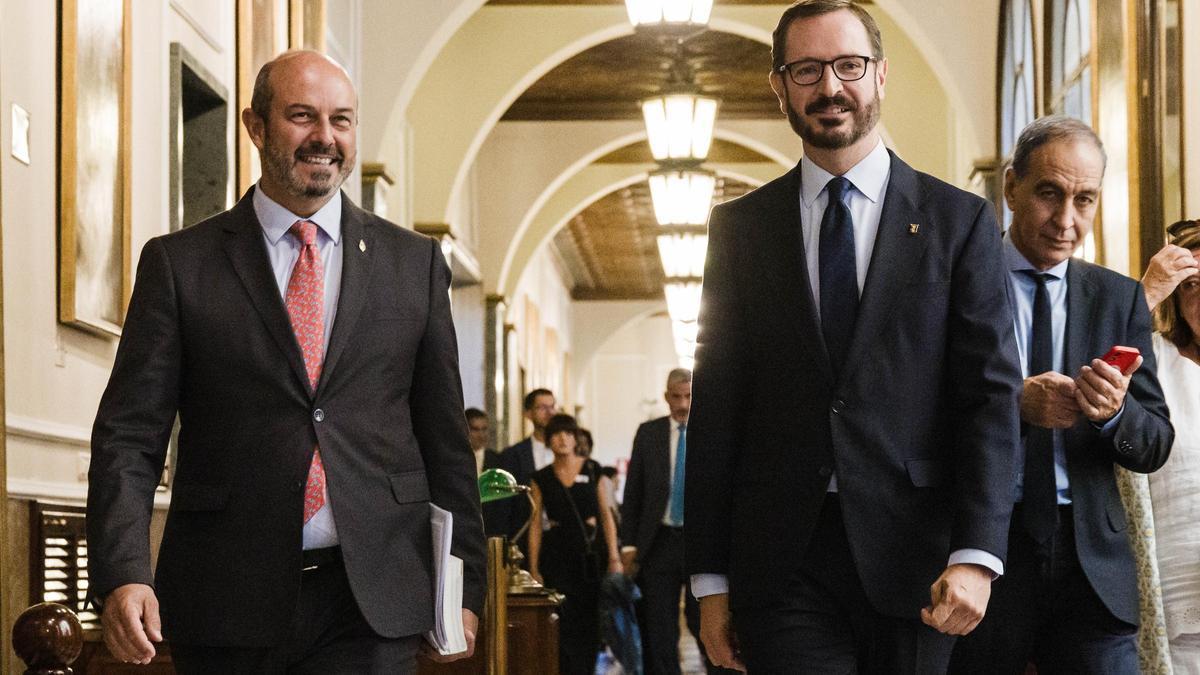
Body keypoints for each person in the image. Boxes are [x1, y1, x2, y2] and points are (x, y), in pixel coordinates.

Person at [85, 50, 485, 674]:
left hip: (372, 596)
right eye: (303, 116)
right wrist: (122, 572)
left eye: (342, 120)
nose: (325, 137)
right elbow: (129, 437)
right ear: (255, 126)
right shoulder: (180, 265)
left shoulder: (414, 265)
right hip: (225, 595)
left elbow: (445, 440)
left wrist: (465, 589)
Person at [684, 1, 1025, 671]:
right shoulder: (740, 232)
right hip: (783, 560)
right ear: (779, 86)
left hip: (918, 556)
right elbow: (717, 408)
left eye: (848, 65)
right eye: (806, 70)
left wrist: (977, 553)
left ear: (880, 75)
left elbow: (989, 397)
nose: (830, 88)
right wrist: (710, 581)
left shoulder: (958, 222)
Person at [949, 116, 1175, 674]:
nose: (1066, 221)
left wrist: (1115, 413)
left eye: (1085, 200)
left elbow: (1155, 443)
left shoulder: (1116, 297)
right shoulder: (955, 285)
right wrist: (1013, 405)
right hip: (985, 552)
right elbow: (912, 419)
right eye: (1050, 194)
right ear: (1010, 187)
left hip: (1091, 566)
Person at [622, 369, 731, 675]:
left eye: (688, 396)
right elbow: (634, 491)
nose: (683, 404)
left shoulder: (713, 430)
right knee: (660, 626)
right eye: (676, 396)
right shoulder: (649, 433)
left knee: (707, 620)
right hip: (659, 541)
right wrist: (628, 543)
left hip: (703, 540)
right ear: (666, 396)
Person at [1140, 219, 1200, 673]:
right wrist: (1145, 295)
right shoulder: (1156, 357)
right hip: (1174, 585)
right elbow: (1090, 363)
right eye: (1193, 285)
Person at [528, 414, 623, 675]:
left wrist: (614, 556)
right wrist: (533, 567)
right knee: (562, 620)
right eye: (556, 435)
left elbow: (606, 515)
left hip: (590, 556)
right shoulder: (541, 478)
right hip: (557, 556)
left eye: (568, 433)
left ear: (576, 438)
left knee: (590, 620)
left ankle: (586, 668)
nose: (562, 439)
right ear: (548, 442)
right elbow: (535, 523)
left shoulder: (592, 469)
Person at [492, 389, 557, 545]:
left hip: (559, 539)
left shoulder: (565, 452)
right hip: (524, 538)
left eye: (552, 406)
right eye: (542, 407)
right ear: (528, 413)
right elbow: (504, 506)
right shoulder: (513, 455)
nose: (550, 412)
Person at [465, 407, 502, 475]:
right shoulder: (456, 458)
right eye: (475, 429)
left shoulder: (497, 460)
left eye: (484, 429)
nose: (481, 435)